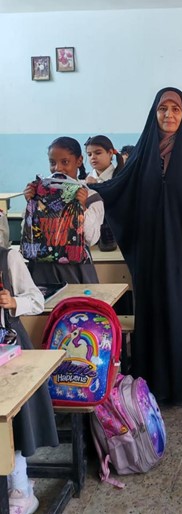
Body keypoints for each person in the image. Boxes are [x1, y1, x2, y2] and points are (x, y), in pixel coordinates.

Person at [89, 87, 182, 404]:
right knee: (159, 308)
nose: (169, 115)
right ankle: (159, 380)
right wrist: (88, 192)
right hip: (154, 250)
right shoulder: (144, 150)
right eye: (162, 109)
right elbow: (120, 188)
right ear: (154, 113)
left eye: (175, 109)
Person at [1, 245, 59, 514]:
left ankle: (20, 488)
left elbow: (37, 299)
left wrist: (14, 302)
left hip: (9, 352)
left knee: (14, 422)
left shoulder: (7, 258)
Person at [22, 136, 104, 284]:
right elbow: (28, 234)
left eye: (65, 162)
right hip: (42, 271)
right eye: (52, 163)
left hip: (76, 271)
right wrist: (30, 205)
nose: (58, 168)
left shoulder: (91, 197)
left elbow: (91, 239)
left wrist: (82, 207)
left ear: (79, 161)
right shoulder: (40, 195)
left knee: (78, 299)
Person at [84, 135, 124, 251]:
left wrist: (96, 187)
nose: (93, 157)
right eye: (89, 154)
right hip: (92, 241)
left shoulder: (121, 178)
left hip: (118, 239)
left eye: (98, 153)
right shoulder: (85, 179)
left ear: (110, 153)